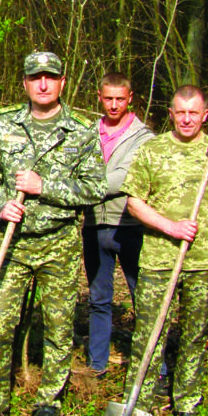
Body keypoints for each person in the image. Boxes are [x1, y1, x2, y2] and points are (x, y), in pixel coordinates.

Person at [0, 51, 106, 416]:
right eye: (35, 77)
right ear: (25, 83)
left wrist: (44, 186)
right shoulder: (5, 123)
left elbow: (95, 188)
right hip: (13, 245)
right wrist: (1, 204)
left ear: (63, 82)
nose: (43, 84)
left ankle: (48, 402)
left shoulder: (81, 130)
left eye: (50, 77)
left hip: (59, 243)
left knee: (59, 329)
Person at [121, 85, 208, 416]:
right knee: (148, 335)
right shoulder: (152, 149)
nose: (187, 119)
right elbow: (134, 203)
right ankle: (138, 404)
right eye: (181, 112)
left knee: (194, 336)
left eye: (194, 113)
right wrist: (170, 227)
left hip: (203, 262)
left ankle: (187, 402)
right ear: (171, 114)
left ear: (205, 115)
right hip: (158, 260)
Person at [82, 72, 154, 376]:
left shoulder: (144, 137)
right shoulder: (87, 133)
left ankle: (153, 365)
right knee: (99, 298)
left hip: (130, 225)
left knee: (143, 297)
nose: (114, 105)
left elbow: (124, 178)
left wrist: (81, 185)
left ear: (130, 98)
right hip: (93, 226)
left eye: (120, 99)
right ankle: (96, 363)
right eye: (108, 98)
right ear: (99, 97)